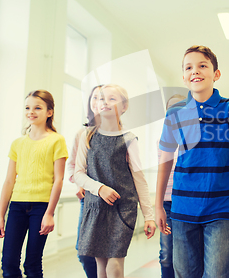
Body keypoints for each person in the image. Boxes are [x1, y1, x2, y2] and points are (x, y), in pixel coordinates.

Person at [156, 45, 229, 278]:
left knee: (217, 274)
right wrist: (157, 206)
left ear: (216, 73)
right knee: (185, 274)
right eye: (189, 67)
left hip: (221, 209)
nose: (196, 71)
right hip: (182, 208)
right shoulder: (174, 113)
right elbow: (165, 159)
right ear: (183, 77)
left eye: (203, 65)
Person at [74, 84, 156, 278]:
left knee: (114, 265)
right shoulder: (87, 135)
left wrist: (149, 216)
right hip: (95, 208)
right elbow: (78, 173)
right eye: (102, 99)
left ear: (124, 106)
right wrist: (99, 188)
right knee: (100, 267)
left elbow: (139, 179)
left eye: (112, 99)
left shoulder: (129, 139)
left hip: (123, 210)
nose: (105, 102)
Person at [0, 90, 68, 278]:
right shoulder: (17, 144)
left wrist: (50, 213)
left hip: (41, 208)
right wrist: (1, 215)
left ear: (49, 112)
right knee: (8, 263)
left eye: (37, 107)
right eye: (27, 107)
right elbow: (9, 180)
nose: (31, 112)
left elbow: (58, 179)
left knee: (32, 264)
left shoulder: (57, 140)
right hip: (17, 206)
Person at [67, 85, 102, 278]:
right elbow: (72, 166)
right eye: (95, 98)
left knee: (107, 252)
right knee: (84, 250)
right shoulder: (81, 134)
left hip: (110, 200)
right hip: (87, 199)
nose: (99, 102)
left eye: (103, 98)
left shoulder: (121, 134)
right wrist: (78, 183)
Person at [159, 93, 185, 278]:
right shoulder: (162, 141)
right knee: (167, 255)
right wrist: (157, 204)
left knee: (186, 255)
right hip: (167, 203)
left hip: (187, 202)